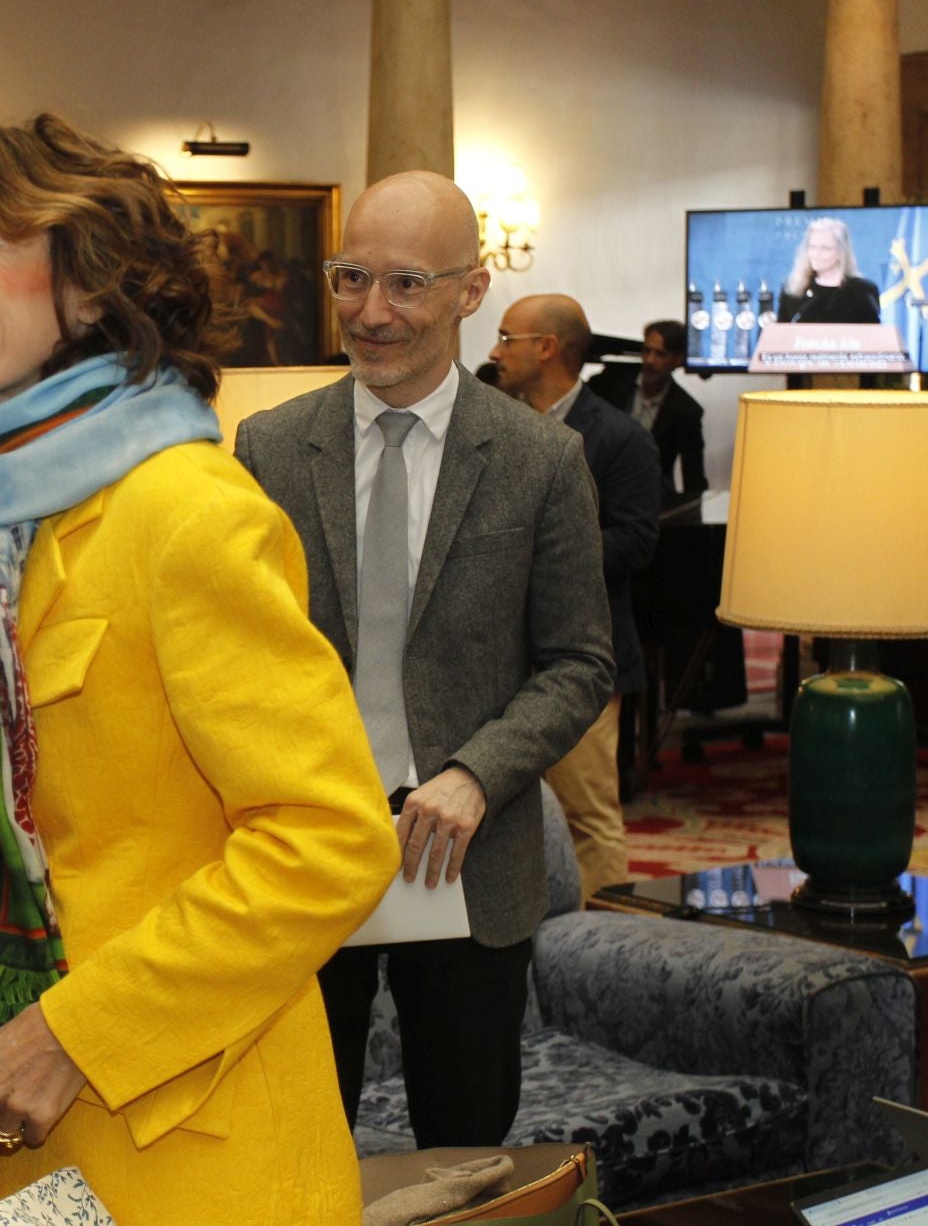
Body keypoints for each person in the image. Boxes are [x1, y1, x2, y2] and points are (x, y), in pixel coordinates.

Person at [0, 115, 399, 1225]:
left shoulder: (186, 512)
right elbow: (32, 819)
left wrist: (81, 1030)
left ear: (87, 284)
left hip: (175, 1146)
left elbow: (331, 840)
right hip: (3, 1129)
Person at [234, 171, 614, 1148]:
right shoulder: (270, 449)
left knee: (464, 1153)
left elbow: (577, 660)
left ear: (470, 289)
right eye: (351, 277)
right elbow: (237, 655)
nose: (371, 311)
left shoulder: (539, 460)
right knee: (293, 1148)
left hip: (466, 859)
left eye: (406, 284)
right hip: (307, 848)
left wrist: (476, 774)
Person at [488, 294, 660, 897]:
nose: (494, 351)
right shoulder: (492, 426)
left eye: (507, 338)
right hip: (495, 656)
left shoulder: (618, 438)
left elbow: (637, 540)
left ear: (547, 348)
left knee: (587, 814)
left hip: (579, 657)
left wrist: (542, 560)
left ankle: (602, 951)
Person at [587, 320, 707, 508]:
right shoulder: (611, 382)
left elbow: (693, 476)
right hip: (599, 493)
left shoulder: (686, 410)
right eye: (646, 351)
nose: (650, 360)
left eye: (660, 354)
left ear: (677, 360)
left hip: (650, 501)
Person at [777, 217, 880, 324]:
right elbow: (781, 335)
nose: (816, 254)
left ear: (841, 252)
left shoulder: (863, 291)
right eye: (812, 247)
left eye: (825, 248)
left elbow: (872, 336)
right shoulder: (793, 288)